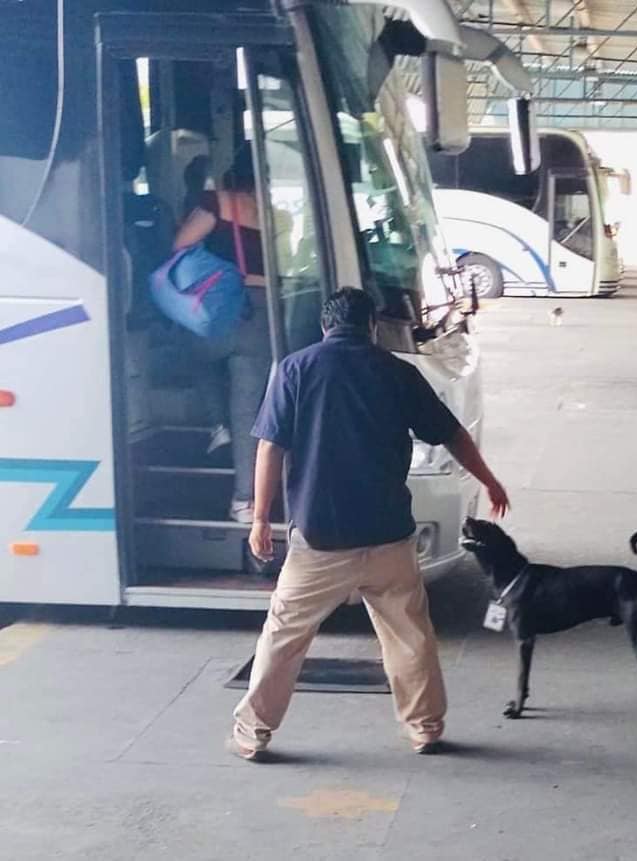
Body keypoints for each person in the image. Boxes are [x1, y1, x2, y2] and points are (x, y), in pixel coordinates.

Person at [228, 287, 510, 761]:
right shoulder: (397, 372)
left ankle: (253, 732)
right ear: (372, 328)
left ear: (325, 326)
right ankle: (424, 728)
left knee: (284, 635)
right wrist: (490, 481)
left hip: (321, 537)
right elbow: (451, 434)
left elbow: (269, 447)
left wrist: (259, 519)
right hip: (388, 536)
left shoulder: (296, 369)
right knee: (409, 636)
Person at [173, 148, 271, 523]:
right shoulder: (271, 212)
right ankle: (244, 500)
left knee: (189, 351)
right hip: (261, 312)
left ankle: (217, 424)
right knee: (247, 410)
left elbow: (180, 244)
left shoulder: (216, 202)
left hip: (223, 308)